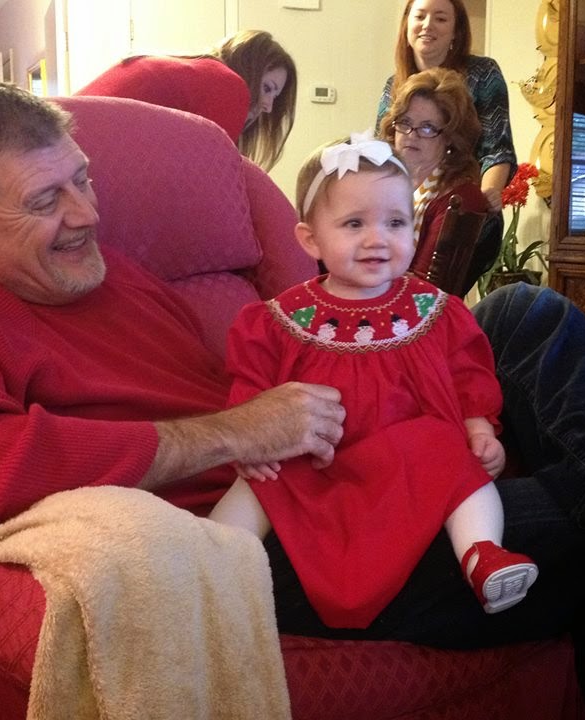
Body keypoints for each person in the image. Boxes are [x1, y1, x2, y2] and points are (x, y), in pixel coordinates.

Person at [0, 79, 585, 718]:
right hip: (276, 528)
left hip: (347, 456)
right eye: (46, 200)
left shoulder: (118, 276)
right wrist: (231, 434)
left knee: (523, 316)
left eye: (83, 180)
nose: (85, 215)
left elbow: (299, 334)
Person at [206, 133, 538, 627]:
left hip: (407, 456)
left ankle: (482, 552)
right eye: (354, 223)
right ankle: (206, 560)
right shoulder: (278, 319)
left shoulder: (434, 310)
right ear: (311, 239)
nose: (377, 238)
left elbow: (468, 373)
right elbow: (251, 386)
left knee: (453, 457)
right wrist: (251, 439)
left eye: (395, 222)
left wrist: (478, 426)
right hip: (313, 460)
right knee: (259, 482)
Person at [75, 29, 297, 171]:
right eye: (267, 88)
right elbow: (214, 175)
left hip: (67, 141)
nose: (268, 107)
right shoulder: (228, 85)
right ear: (251, 70)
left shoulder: (196, 71)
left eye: (274, 96)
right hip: (87, 154)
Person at [376, 0, 515, 216]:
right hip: (404, 207)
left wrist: (483, 199)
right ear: (406, 25)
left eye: (440, 19)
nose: (427, 25)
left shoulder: (483, 74)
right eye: (420, 16)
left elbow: (497, 150)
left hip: (463, 207)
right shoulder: (392, 85)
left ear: (456, 32)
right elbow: (382, 150)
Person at [379, 66, 490, 283]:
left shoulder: (461, 197)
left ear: (451, 137)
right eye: (405, 123)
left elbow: (428, 289)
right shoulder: (384, 185)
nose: (412, 135)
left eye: (427, 127)